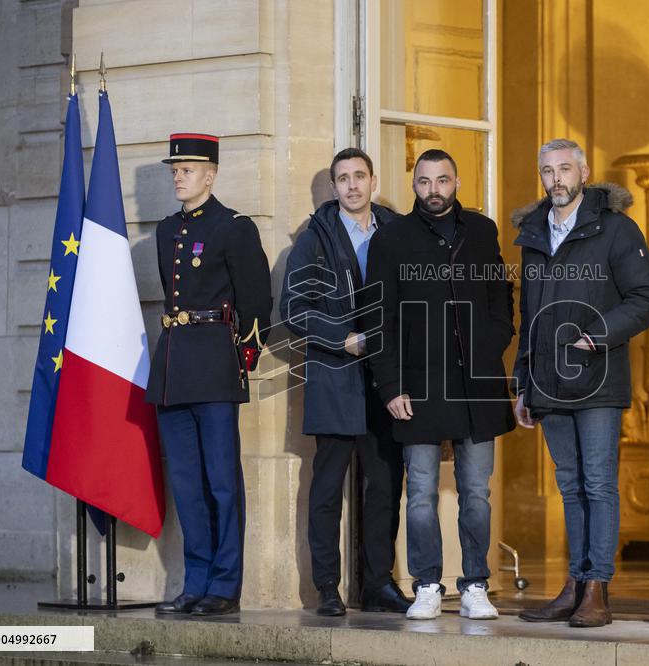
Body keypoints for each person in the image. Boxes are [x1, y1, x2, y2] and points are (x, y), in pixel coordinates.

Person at [512, 138, 649, 628]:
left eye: (565, 169)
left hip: (597, 377)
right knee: (570, 486)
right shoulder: (533, 235)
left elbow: (646, 297)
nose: (556, 178)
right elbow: (528, 314)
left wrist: (596, 337)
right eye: (548, 170)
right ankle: (574, 585)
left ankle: (597, 587)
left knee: (598, 483)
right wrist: (522, 383)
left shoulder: (616, 230)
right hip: (548, 383)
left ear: (583, 172)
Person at [363, 149, 515, 620]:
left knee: (476, 491)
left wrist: (494, 340)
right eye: (425, 181)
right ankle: (427, 583)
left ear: (456, 181)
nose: (434, 190)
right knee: (422, 491)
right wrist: (389, 387)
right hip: (417, 386)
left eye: (442, 180)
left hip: (477, 382)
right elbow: (379, 317)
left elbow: (499, 296)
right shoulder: (390, 239)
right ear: (414, 185)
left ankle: (474, 585)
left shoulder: (482, 230)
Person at [280, 148, 410, 616]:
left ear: (373, 181)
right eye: (343, 179)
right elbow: (293, 309)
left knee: (384, 486)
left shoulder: (398, 230)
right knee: (327, 489)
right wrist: (344, 338)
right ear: (333, 188)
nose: (352, 185)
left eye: (359, 176)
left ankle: (378, 584)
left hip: (385, 382)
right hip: (335, 377)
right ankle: (328, 588)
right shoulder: (315, 237)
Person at [146, 133, 273, 617]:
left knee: (222, 483)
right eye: (175, 170)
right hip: (174, 368)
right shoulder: (164, 231)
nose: (179, 176)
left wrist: (244, 357)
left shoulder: (234, 227)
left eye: (189, 169)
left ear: (211, 175)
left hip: (216, 367)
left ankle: (224, 585)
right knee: (187, 485)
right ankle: (195, 582)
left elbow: (256, 301)